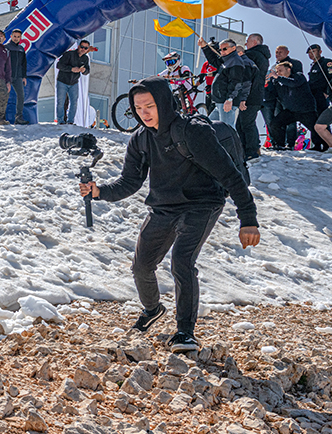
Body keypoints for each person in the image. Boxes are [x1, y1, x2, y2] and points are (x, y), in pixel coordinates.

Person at [79, 77, 260, 353]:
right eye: (138, 108)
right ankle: (152, 309)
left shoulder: (192, 131)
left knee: (182, 262)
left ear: (163, 102)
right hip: (163, 208)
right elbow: (129, 182)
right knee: (141, 266)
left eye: (150, 106)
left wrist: (248, 219)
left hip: (202, 203)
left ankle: (185, 333)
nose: (144, 113)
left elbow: (230, 175)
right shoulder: (140, 139)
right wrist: (98, 192)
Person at [269, 60, 324, 151]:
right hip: (290, 111)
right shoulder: (279, 82)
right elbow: (273, 95)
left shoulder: (299, 76)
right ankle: (280, 145)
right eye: (277, 71)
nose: (278, 73)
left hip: (305, 110)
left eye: (280, 71)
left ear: (288, 69)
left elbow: (293, 83)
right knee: (275, 124)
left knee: (315, 128)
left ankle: (320, 146)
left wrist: (277, 77)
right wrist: (267, 84)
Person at [234, 34, 271, 161]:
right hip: (256, 94)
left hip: (250, 95)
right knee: (242, 124)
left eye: (247, 41)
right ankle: (248, 150)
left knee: (246, 124)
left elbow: (246, 77)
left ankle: (251, 151)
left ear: (255, 42)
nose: (245, 44)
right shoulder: (262, 56)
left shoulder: (251, 56)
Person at [262, 46, 303, 150]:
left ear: (287, 52)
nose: (278, 54)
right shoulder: (273, 66)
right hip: (277, 98)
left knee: (290, 122)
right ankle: (279, 143)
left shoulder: (295, 63)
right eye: (276, 52)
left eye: (280, 52)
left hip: (290, 97)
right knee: (277, 121)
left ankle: (290, 144)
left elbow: (295, 80)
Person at [208, 39, 256, 127]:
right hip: (221, 101)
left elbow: (236, 82)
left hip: (226, 101)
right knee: (209, 126)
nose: (222, 52)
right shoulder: (228, 61)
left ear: (233, 48)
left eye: (224, 49)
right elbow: (214, 61)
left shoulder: (236, 61)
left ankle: (234, 141)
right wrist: (205, 48)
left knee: (228, 128)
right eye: (220, 50)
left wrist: (230, 99)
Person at [55, 40, 94, 124]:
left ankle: (70, 121)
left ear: (87, 49)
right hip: (62, 81)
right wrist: (71, 69)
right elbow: (59, 65)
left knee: (74, 102)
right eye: (82, 47)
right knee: (60, 102)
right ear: (78, 47)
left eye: (85, 48)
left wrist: (84, 70)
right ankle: (60, 120)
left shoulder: (85, 58)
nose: (83, 49)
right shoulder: (69, 54)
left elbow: (87, 71)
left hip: (74, 82)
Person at [5, 30, 29, 124]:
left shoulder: (21, 49)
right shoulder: (6, 47)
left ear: (20, 38)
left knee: (21, 96)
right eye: (14, 36)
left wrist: (24, 76)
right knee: (3, 96)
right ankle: (0, 118)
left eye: (18, 37)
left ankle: (18, 118)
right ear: (11, 36)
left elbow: (24, 64)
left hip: (18, 76)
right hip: (7, 76)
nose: (16, 38)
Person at [307, 44, 332, 114]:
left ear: (320, 52)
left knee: (322, 116)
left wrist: (326, 92)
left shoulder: (327, 62)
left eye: (313, 51)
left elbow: (331, 78)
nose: (311, 54)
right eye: (309, 53)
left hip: (322, 94)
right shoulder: (313, 66)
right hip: (313, 95)